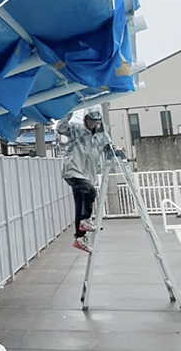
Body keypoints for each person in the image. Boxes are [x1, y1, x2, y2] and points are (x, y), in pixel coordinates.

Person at [56, 107, 114, 253]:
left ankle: (80, 237)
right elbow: (61, 128)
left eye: (94, 121)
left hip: (88, 174)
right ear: (85, 118)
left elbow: (109, 148)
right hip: (73, 170)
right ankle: (85, 222)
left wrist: (115, 150)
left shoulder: (102, 135)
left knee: (81, 202)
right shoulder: (76, 129)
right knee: (90, 191)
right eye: (89, 120)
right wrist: (68, 109)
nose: (91, 124)